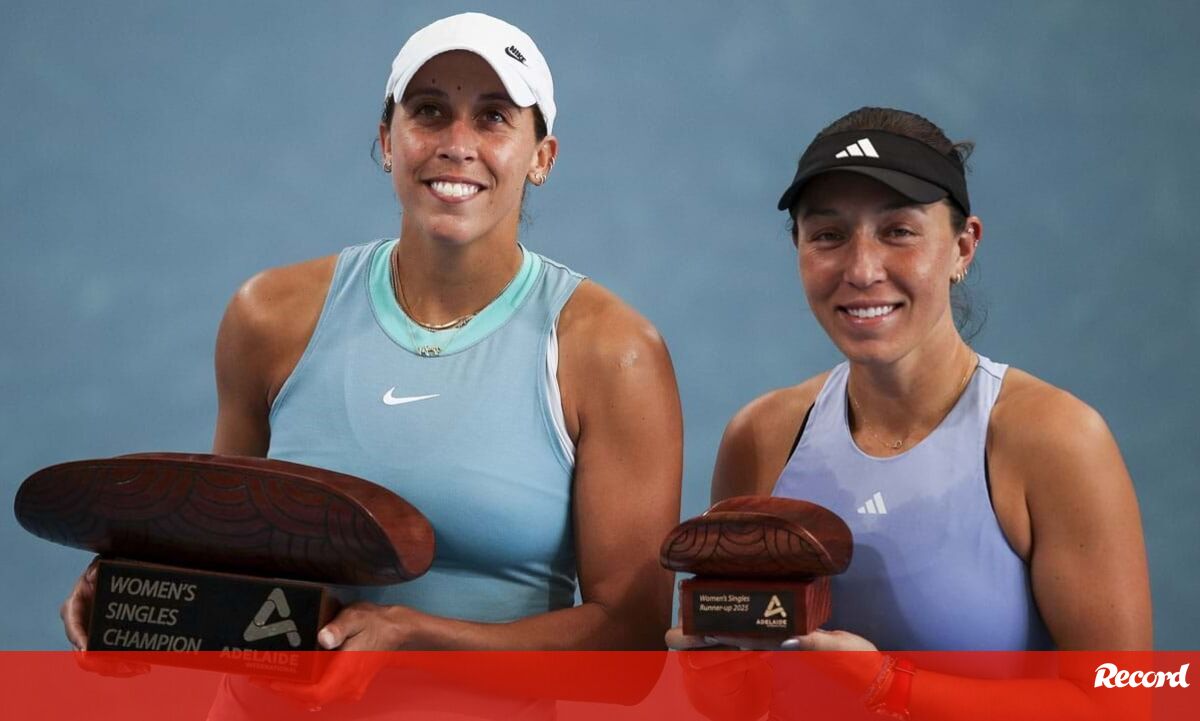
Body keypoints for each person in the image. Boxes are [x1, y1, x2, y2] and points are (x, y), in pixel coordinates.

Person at [62, 12, 682, 665]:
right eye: (429, 111)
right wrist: (139, 597)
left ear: (542, 157)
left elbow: (633, 642)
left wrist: (417, 636)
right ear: (388, 140)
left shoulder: (613, 353)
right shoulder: (269, 317)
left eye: (494, 117)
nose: (458, 143)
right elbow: (227, 564)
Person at [668, 107, 1151, 716]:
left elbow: (1124, 703)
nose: (861, 269)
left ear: (963, 246)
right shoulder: (762, 435)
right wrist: (711, 669)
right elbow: (736, 703)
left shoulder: (1052, 438)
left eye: (898, 231)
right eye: (828, 235)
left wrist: (888, 687)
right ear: (799, 248)